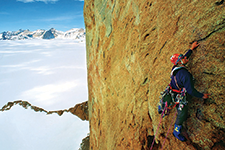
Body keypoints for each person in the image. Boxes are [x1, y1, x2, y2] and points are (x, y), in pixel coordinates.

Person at [170, 41, 210, 141]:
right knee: (182, 113)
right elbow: (191, 91)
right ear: (179, 62)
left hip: (174, 87)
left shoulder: (176, 67)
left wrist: (191, 49)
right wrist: (202, 96)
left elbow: (185, 57)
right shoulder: (185, 75)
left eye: (183, 56)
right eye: (182, 57)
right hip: (178, 93)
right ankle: (176, 130)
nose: (185, 58)